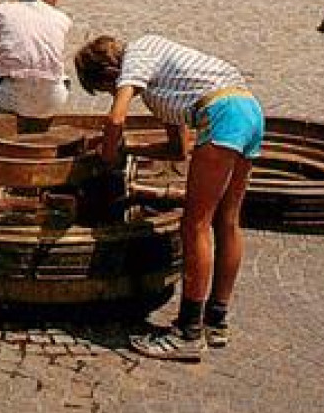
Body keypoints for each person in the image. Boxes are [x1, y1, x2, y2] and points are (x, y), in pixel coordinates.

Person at [74, 34, 265, 362]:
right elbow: (179, 149)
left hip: (223, 116)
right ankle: (216, 322)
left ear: (108, 74)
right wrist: (128, 148)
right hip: (249, 111)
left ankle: (188, 332)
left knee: (195, 224)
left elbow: (115, 118)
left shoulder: (136, 55)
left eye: (107, 89)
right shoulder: (160, 84)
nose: (116, 93)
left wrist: (106, 156)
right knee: (227, 220)